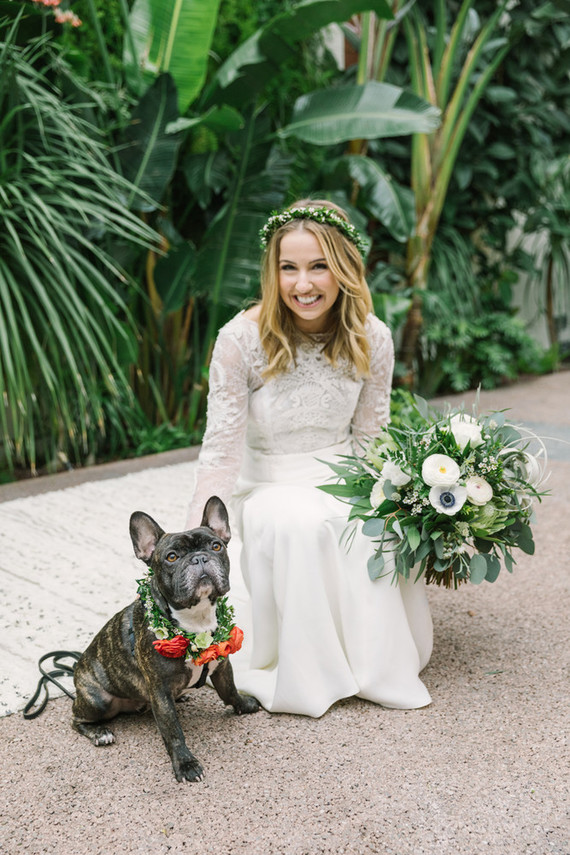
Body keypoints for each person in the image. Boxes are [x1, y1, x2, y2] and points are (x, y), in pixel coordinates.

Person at [186, 199, 432, 717]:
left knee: (368, 523)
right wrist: (190, 541)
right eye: (289, 267)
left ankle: (371, 664)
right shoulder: (240, 340)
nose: (303, 283)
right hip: (270, 482)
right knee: (298, 524)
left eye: (319, 265)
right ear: (272, 272)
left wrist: (403, 501)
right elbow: (221, 449)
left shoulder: (373, 336)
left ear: (344, 268)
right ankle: (304, 675)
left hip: (343, 474)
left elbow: (372, 436)